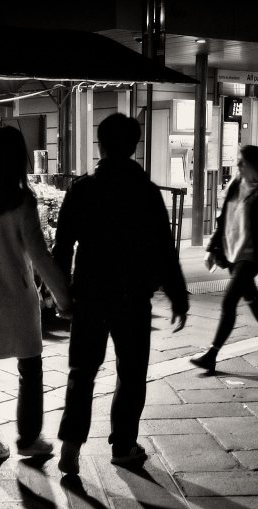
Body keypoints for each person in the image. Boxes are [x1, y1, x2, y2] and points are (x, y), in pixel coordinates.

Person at [53, 113, 188, 475]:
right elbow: (163, 248)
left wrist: (58, 293)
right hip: (132, 295)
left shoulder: (82, 189)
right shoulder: (146, 191)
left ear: (100, 145)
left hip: (90, 295)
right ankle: (123, 444)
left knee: (82, 372)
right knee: (131, 373)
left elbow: (62, 246)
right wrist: (178, 294)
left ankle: (70, 448)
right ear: (133, 147)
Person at [0, 126, 72, 466]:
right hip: (18, 301)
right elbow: (40, 257)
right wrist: (64, 299)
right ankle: (28, 437)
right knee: (30, 369)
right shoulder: (22, 202)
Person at [189, 144, 258, 373]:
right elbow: (223, 220)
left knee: (229, 301)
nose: (237, 165)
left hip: (252, 254)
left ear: (254, 165)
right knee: (252, 298)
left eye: (242, 162)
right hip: (232, 252)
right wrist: (211, 248)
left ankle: (212, 354)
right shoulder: (236, 184)